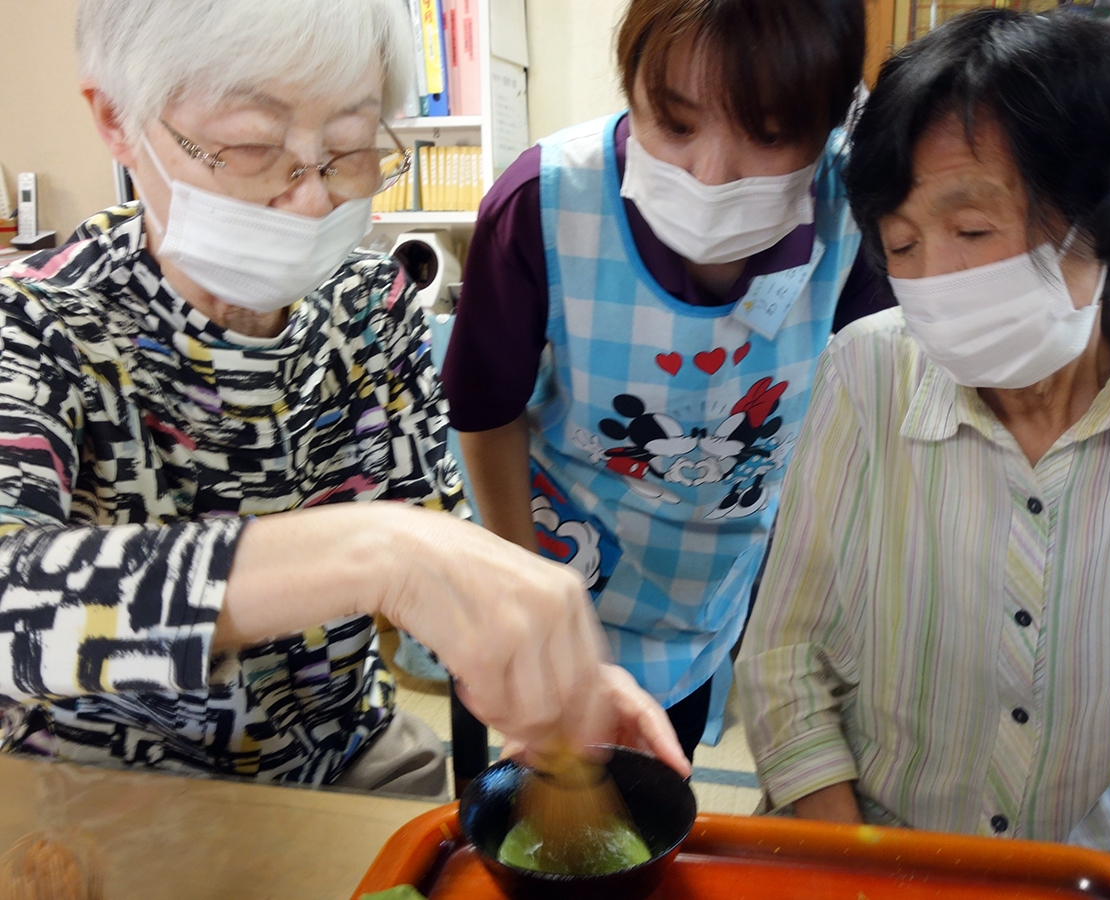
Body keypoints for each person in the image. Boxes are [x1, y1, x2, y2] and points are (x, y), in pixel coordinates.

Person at [0, 0, 688, 796]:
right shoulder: (41, 323)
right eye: (252, 148)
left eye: (348, 150)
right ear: (118, 120)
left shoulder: (368, 303)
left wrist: (540, 664)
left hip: (348, 757)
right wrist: (375, 554)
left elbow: (436, 535)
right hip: (107, 788)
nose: (312, 200)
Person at [736, 6, 1110, 867]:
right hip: (878, 851)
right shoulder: (867, 370)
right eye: (902, 244)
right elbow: (783, 655)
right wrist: (859, 866)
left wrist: (1084, 873)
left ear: (1098, 216)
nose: (934, 281)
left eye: (974, 230)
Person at [440, 0, 891, 760]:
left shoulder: (863, 212)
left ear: (831, 122)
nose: (710, 177)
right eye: (674, 125)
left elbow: (861, 418)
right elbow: (485, 413)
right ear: (633, 88)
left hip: (708, 595)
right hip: (547, 563)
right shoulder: (541, 203)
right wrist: (524, 594)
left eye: (771, 135)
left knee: (652, 796)